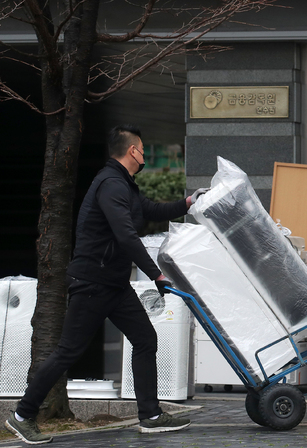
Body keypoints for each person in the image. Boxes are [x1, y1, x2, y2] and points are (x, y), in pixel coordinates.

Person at [5, 125, 208, 444]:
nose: (144, 155)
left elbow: (150, 210)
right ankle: (22, 415)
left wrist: (187, 203)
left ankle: (151, 415)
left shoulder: (125, 186)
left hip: (113, 283)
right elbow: (125, 234)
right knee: (67, 352)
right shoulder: (110, 185)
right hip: (92, 282)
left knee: (144, 339)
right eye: (142, 149)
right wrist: (156, 274)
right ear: (132, 151)